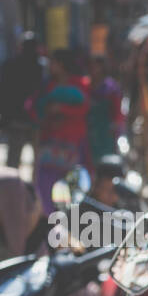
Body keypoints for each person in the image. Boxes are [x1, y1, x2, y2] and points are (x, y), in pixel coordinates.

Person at [31, 48, 89, 214]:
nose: (50, 65)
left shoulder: (80, 84)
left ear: (62, 65)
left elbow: (84, 109)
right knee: (44, 189)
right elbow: (34, 108)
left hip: (71, 147)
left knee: (69, 192)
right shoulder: (47, 85)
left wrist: (61, 109)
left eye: (53, 62)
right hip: (49, 146)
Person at [0, 33, 43, 174]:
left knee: (16, 161)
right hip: (27, 120)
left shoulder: (13, 65)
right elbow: (3, 92)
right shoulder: (41, 67)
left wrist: (4, 116)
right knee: (34, 161)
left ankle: (13, 189)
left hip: (28, 120)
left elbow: (2, 92)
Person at [85, 55, 125, 162]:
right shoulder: (86, 85)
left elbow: (117, 112)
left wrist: (116, 128)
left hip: (106, 132)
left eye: (96, 66)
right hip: (90, 131)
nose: (93, 69)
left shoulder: (111, 87)